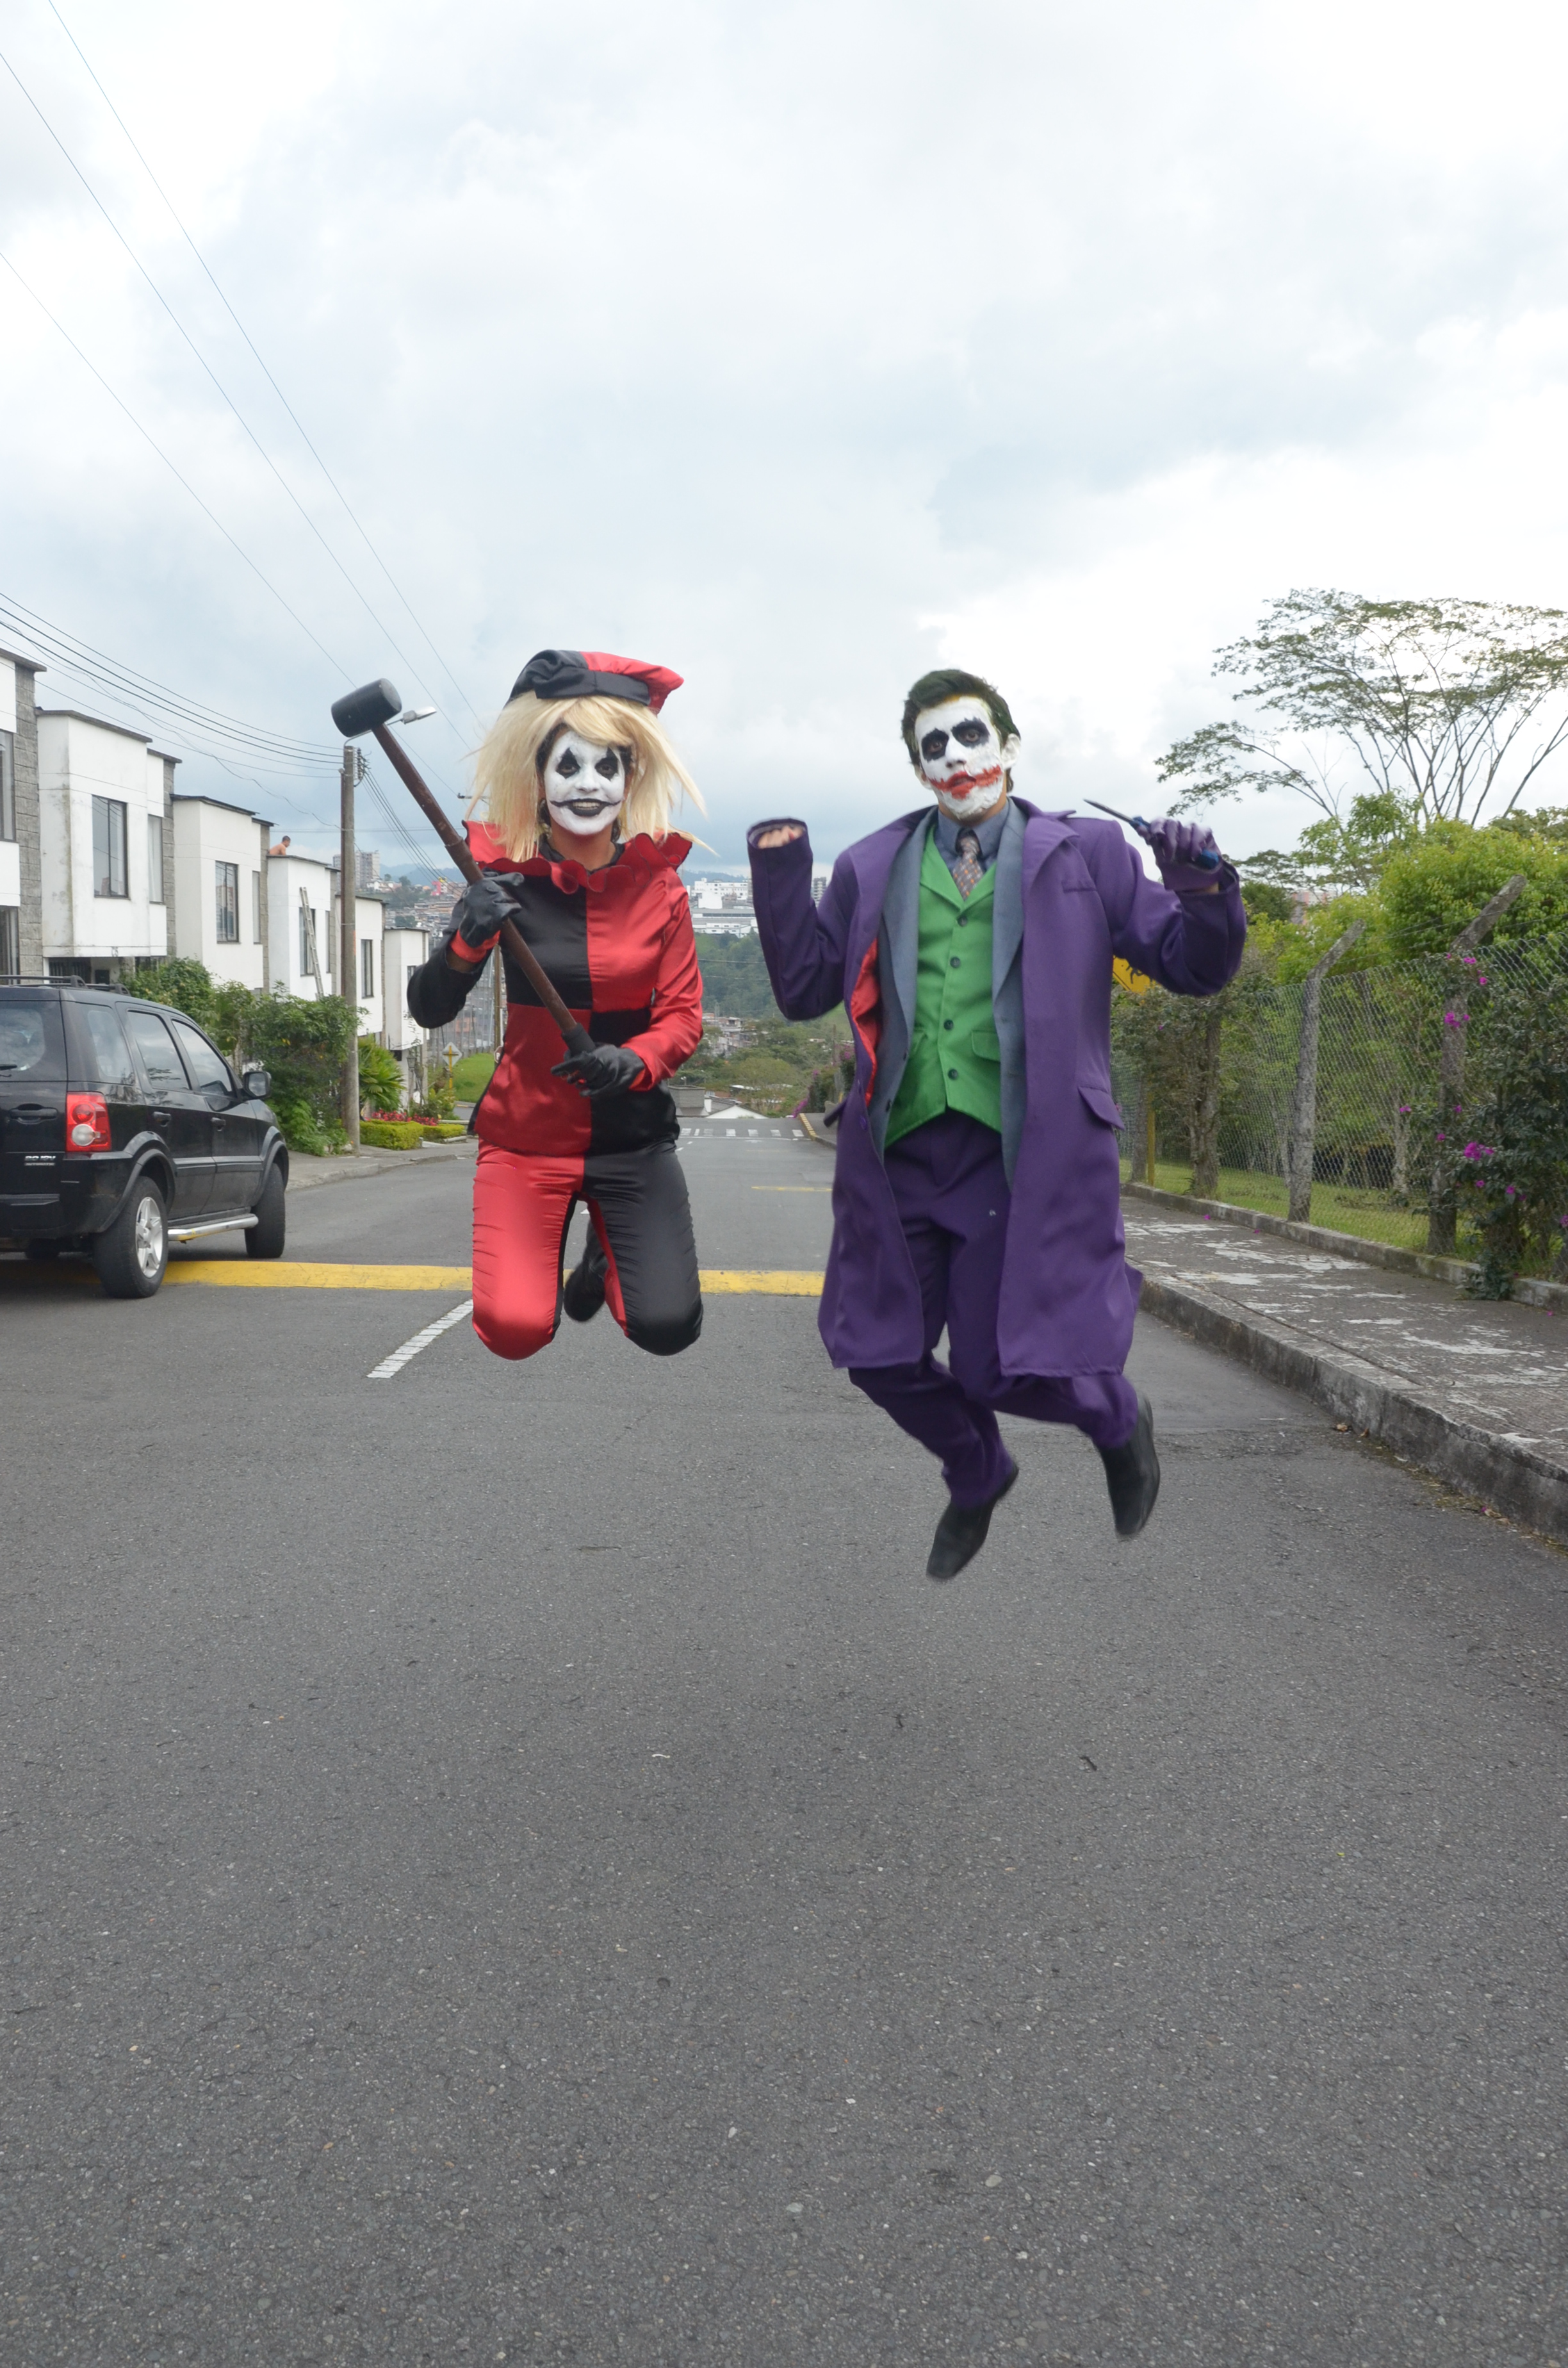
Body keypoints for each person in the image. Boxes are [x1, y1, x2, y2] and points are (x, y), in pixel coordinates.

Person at [748, 666, 1246, 1579]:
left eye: (970, 735)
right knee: (874, 1350)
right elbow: (805, 988)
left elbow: (1193, 967)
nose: (955, 757)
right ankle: (977, 1468)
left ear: (1009, 747)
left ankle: (1114, 1414)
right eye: (933, 746)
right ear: (918, 769)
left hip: (1020, 1155)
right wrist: (782, 868)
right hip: (900, 1152)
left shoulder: (1087, 854)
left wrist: (1203, 887)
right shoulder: (872, 865)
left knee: (994, 1369)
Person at [407, 648, 706, 1363]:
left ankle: (605, 1253)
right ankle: (581, 1241)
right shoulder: (502, 882)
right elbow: (428, 1009)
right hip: (527, 1137)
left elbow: (683, 1018)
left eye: (608, 766)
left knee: (668, 1326)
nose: (588, 784)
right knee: (513, 1331)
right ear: (538, 778)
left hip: (631, 1137)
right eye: (568, 765)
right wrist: (467, 939)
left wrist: (631, 1061)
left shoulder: (661, 888)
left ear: (631, 776)